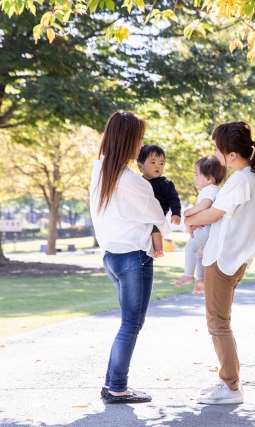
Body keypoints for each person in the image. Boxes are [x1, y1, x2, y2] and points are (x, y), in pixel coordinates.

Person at [184, 121, 255, 405]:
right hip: (233, 259)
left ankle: (231, 387)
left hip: (223, 260)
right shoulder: (252, 178)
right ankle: (230, 383)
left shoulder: (241, 179)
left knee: (218, 323)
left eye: (218, 149)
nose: (216, 155)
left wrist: (189, 220)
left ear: (231, 154)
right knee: (220, 322)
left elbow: (212, 215)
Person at [89, 111, 171, 404]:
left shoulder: (100, 168)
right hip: (134, 258)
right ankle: (118, 387)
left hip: (112, 256)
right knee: (131, 323)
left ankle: (112, 383)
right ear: (128, 141)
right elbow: (160, 218)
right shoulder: (133, 181)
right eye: (139, 139)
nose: (142, 145)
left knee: (128, 322)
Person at [174, 156, 227, 294]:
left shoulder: (209, 189)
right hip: (211, 229)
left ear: (209, 178)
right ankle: (200, 280)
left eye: (197, 174)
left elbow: (205, 205)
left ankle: (188, 274)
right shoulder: (217, 190)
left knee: (190, 248)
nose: (194, 178)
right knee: (200, 254)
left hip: (206, 228)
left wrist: (188, 212)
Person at [136, 144, 182, 258]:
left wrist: (176, 214)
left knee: (154, 228)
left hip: (156, 216)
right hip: (140, 216)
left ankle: (158, 249)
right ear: (140, 167)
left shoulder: (166, 184)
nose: (158, 166)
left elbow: (174, 199)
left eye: (161, 163)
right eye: (153, 162)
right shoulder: (138, 183)